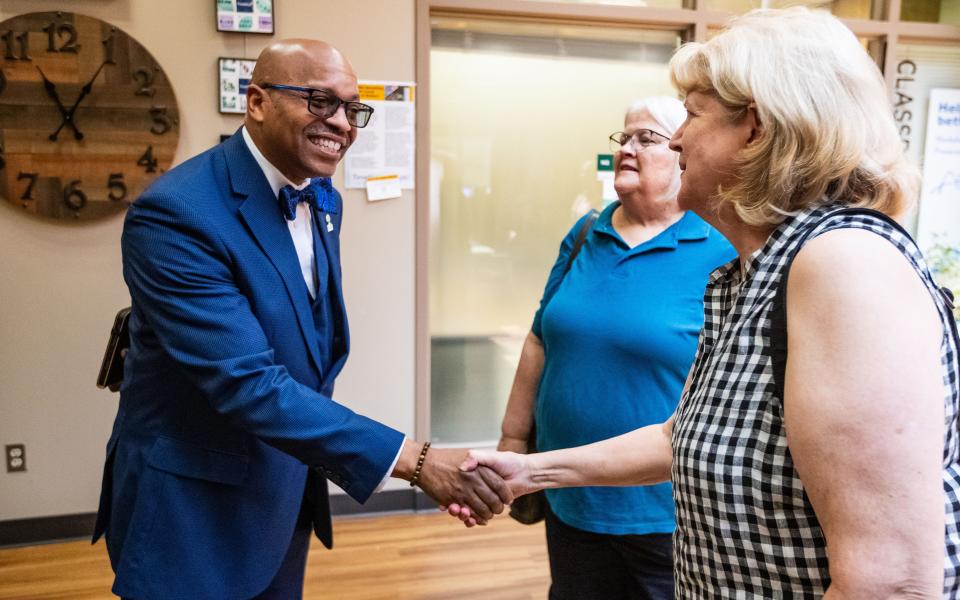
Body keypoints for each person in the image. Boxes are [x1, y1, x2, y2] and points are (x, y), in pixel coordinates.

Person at [453, 8, 960, 597]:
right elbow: (684, 437)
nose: (674, 139)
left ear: (759, 129)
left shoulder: (844, 264)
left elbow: (892, 582)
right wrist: (532, 471)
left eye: (691, 115)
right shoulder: (751, 273)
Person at [92, 39, 510, 600]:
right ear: (258, 101)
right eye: (319, 101)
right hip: (194, 508)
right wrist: (416, 460)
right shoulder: (176, 214)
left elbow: (309, 342)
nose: (340, 124)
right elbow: (247, 382)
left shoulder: (322, 196)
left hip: (283, 492)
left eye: (351, 109)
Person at [496, 96, 734, 600]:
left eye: (646, 139)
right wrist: (514, 440)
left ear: (681, 153)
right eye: (623, 137)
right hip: (569, 492)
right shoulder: (586, 232)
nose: (627, 148)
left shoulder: (721, 249)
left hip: (666, 508)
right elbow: (540, 337)